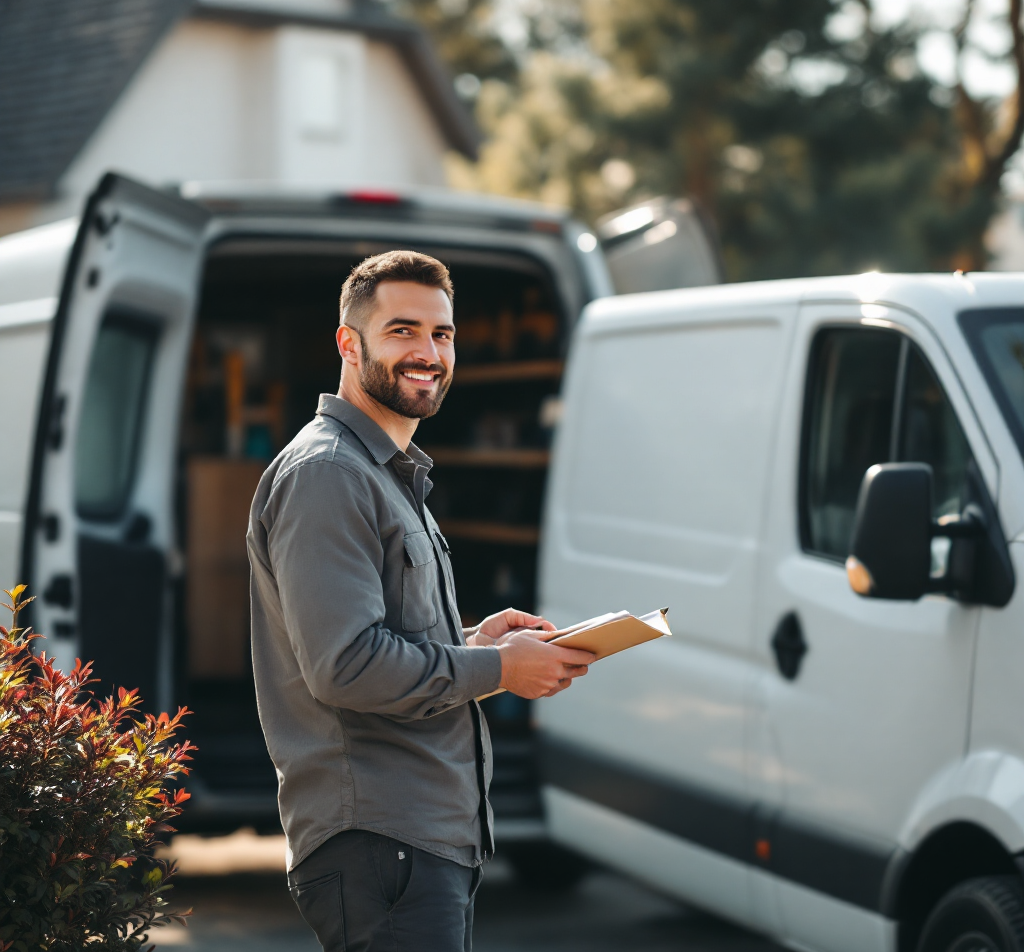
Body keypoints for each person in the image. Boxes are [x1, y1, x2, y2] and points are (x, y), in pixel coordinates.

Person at [246, 250, 595, 952]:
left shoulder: (384, 475)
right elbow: (345, 667)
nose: (428, 353)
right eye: (403, 330)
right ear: (350, 343)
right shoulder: (329, 475)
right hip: (381, 840)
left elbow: (380, 638)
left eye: (442, 334)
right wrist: (499, 671)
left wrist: (475, 643)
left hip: (418, 839)